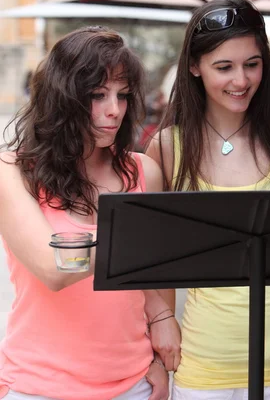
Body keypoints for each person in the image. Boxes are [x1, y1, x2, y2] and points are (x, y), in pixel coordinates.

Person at [146, 0, 270, 400]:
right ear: (194, 67)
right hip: (205, 369)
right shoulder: (166, 148)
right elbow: (149, 260)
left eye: (252, 64)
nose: (241, 80)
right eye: (224, 67)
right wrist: (161, 322)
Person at [0, 27, 181, 400]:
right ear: (63, 98)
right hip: (38, 386)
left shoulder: (143, 171)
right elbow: (54, 268)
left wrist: (159, 356)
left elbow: (157, 276)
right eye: (97, 95)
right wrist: (143, 236)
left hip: (133, 384)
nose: (114, 110)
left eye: (123, 95)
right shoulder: (13, 171)